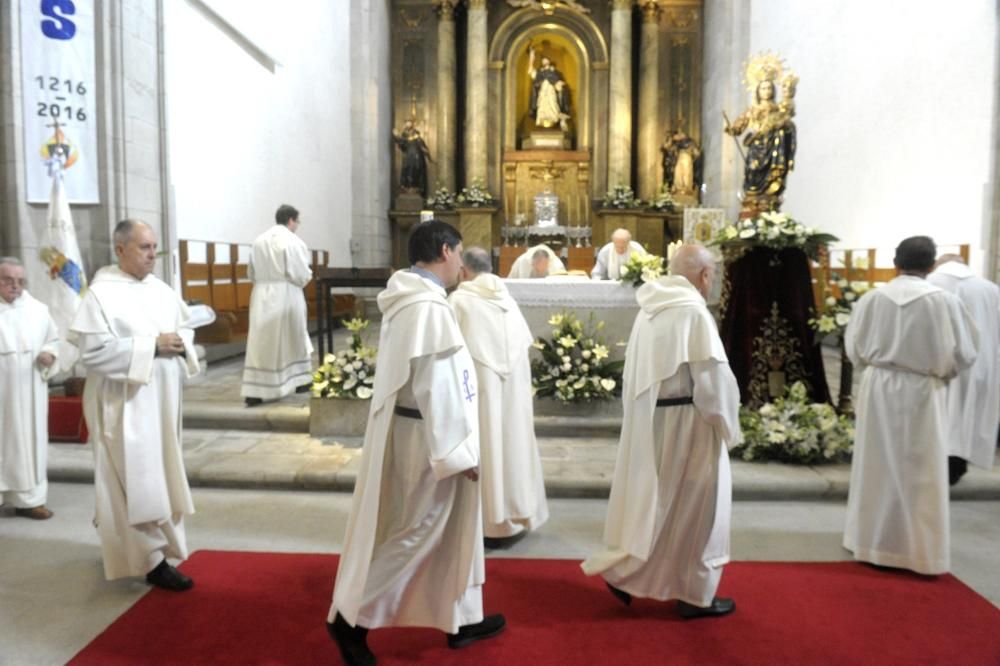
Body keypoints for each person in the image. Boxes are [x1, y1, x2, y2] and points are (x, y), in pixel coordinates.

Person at [326, 221, 505, 666]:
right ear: (445, 251)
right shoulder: (427, 308)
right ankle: (351, 619)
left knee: (450, 530)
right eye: (458, 253)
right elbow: (436, 386)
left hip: (419, 431)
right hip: (430, 438)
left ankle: (461, 618)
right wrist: (457, 454)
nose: (461, 263)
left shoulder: (410, 299)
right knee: (419, 529)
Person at [582, 244, 740, 619]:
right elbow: (712, 380)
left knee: (665, 504)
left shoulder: (650, 308)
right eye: (712, 275)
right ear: (703, 275)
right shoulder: (694, 314)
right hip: (691, 420)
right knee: (702, 508)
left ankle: (627, 574)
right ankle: (694, 594)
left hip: (656, 419)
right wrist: (728, 425)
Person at [69, 220, 200, 590]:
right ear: (120, 249)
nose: (152, 256)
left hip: (159, 403)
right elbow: (93, 354)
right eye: (144, 247)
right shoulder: (101, 294)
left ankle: (148, 548)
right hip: (124, 404)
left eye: (154, 247)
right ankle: (151, 560)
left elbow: (185, 328)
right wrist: (151, 346)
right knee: (134, 479)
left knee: (158, 474)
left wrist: (179, 341)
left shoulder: (160, 289)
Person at [843, 236, 978, 575]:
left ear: (894, 262)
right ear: (931, 266)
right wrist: (939, 371)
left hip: (879, 386)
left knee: (876, 466)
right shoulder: (944, 302)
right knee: (921, 470)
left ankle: (869, 541)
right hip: (923, 391)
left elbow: (853, 348)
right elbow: (965, 352)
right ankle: (919, 552)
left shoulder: (873, 299)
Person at [450, 247, 549, 545]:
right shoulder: (508, 299)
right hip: (513, 391)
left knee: (488, 442)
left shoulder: (459, 301)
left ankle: (486, 524)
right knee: (512, 442)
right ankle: (512, 520)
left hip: (482, 390)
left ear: (464, 271)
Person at [928, 254, 999, 484]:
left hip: (939, 364)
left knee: (942, 417)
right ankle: (959, 464)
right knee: (968, 417)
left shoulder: (929, 283)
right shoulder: (990, 289)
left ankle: (940, 467)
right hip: (981, 364)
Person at [0, 257, 59, 520]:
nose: (15, 286)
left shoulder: (38, 310)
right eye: (7, 280)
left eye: (20, 281)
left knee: (30, 443)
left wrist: (49, 353)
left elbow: (53, 340)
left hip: (29, 391)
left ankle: (30, 500)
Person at [241, 204, 314, 407]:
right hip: (287, 294)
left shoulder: (258, 241)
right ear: (290, 220)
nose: (297, 226)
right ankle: (301, 381)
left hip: (261, 295)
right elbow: (301, 274)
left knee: (261, 343)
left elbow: (251, 273)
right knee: (294, 337)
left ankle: (254, 391)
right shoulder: (293, 241)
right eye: (297, 221)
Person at [724, 77, 796, 213]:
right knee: (752, 171)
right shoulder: (752, 110)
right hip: (756, 147)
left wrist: (784, 125)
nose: (766, 91)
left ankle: (769, 198)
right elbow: (739, 127)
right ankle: (752, 201)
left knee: (772, 178)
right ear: (758, 91)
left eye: (769, 88)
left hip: (773, 147)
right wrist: (732, 129)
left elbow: (787, 126)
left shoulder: (778, 110)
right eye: (763, 88)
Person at [528, 45, 571, 132]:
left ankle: (556, 121)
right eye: (543, 61)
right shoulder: (540, 72)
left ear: (549, 62)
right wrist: (531, 58)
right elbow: (531, 71)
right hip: (543, 94)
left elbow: (559, 84)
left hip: (551, 93)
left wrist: (560, 85)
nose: (545, 61)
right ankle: (542, 123)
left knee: (553, 106)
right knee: (542, 108)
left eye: (546, 60)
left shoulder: (554, 73)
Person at [393, 119, 432, 198]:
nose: (408, 125)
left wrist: (427, 153)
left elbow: (422, 145)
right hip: (408, 157)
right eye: (406, 123)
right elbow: (402, 144)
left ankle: (415, 188)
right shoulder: (404, 135)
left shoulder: (417, 136)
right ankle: (408, 187)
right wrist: (396, 137)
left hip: (417, 157)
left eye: (409, 123)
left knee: (416, 170)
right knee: (407, 170)